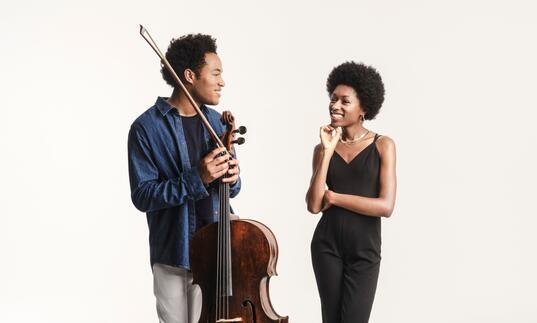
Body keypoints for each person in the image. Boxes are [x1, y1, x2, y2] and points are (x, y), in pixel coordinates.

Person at [128, 34, 241, 323]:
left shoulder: (218, 123)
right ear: (190, 76)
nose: (222, 82)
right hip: (174, 253)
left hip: (217, 251)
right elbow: (143, 195)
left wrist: (233, 178)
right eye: (215, 73)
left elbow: (233, 189)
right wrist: (196, 178)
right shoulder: (146, 128)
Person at [306, 61, 396, 323]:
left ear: (363, 108)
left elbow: (385, 206)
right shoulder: (322, 148)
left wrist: (334, 198)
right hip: (326, 245)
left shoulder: (383, 145)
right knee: (330, 320)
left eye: (345, 101)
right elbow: (313, 205)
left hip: (364, 250)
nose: (335, 106)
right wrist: (326, 151)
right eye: (333, 99)